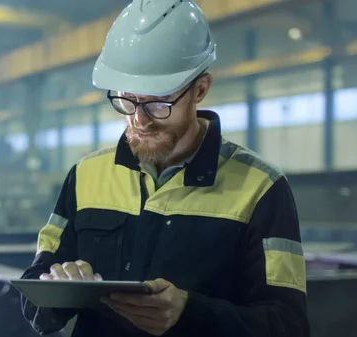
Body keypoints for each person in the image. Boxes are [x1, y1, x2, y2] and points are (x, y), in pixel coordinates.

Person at [20, 1, 309, 336]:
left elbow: (288, 326)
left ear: (200, 89)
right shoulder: (86, 176)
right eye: (127, 100)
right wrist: (58, 289)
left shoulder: (260, 188)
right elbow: (35, 301)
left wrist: (189, 314)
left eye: (158, 102)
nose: (139, 119)